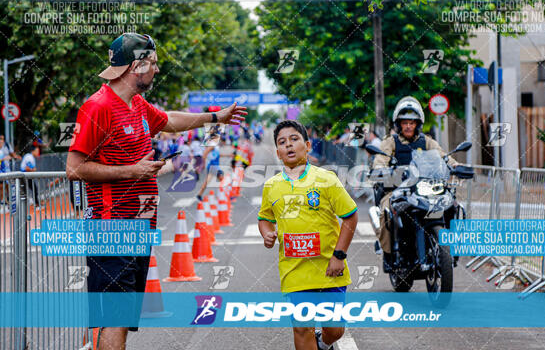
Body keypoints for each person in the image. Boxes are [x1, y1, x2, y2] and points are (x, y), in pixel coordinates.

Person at [65, 32, 246, 350]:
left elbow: (168, 121)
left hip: (137, 227)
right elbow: (75, 168)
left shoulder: (135, 104)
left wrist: (215, 117)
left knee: (121, 318)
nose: (157, 70)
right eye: (153, 63)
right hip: (111, 227)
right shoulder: (99, 107)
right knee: (115, 317)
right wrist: (132, 171)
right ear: (136, 65)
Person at [258, 120, 358, 350]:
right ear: (278, 153)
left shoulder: (327, 179)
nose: (289, 145)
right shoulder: (271, 186)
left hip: (329, 269)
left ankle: (324, 343)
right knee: (302, 328)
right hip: (294, 272)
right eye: (282, 142)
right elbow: (265, 218)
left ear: (308, 145)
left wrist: (339, 256)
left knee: (334, 330)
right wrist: (266, 234)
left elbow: (350, 217)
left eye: (294, 139)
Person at [372, 96, 458, 272]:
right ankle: (389, 254)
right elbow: (380, 160)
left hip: (424, 189)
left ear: (418, 124)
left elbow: (444, 157)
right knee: (386, 211)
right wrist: (380, 169)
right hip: (398, 190)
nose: (408, 126)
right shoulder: (390, 142)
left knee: (454, 204)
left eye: (412, 122)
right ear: (399, 124)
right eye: (405, 123)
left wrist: (457, 167)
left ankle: (448, 250)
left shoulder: (427, 141)